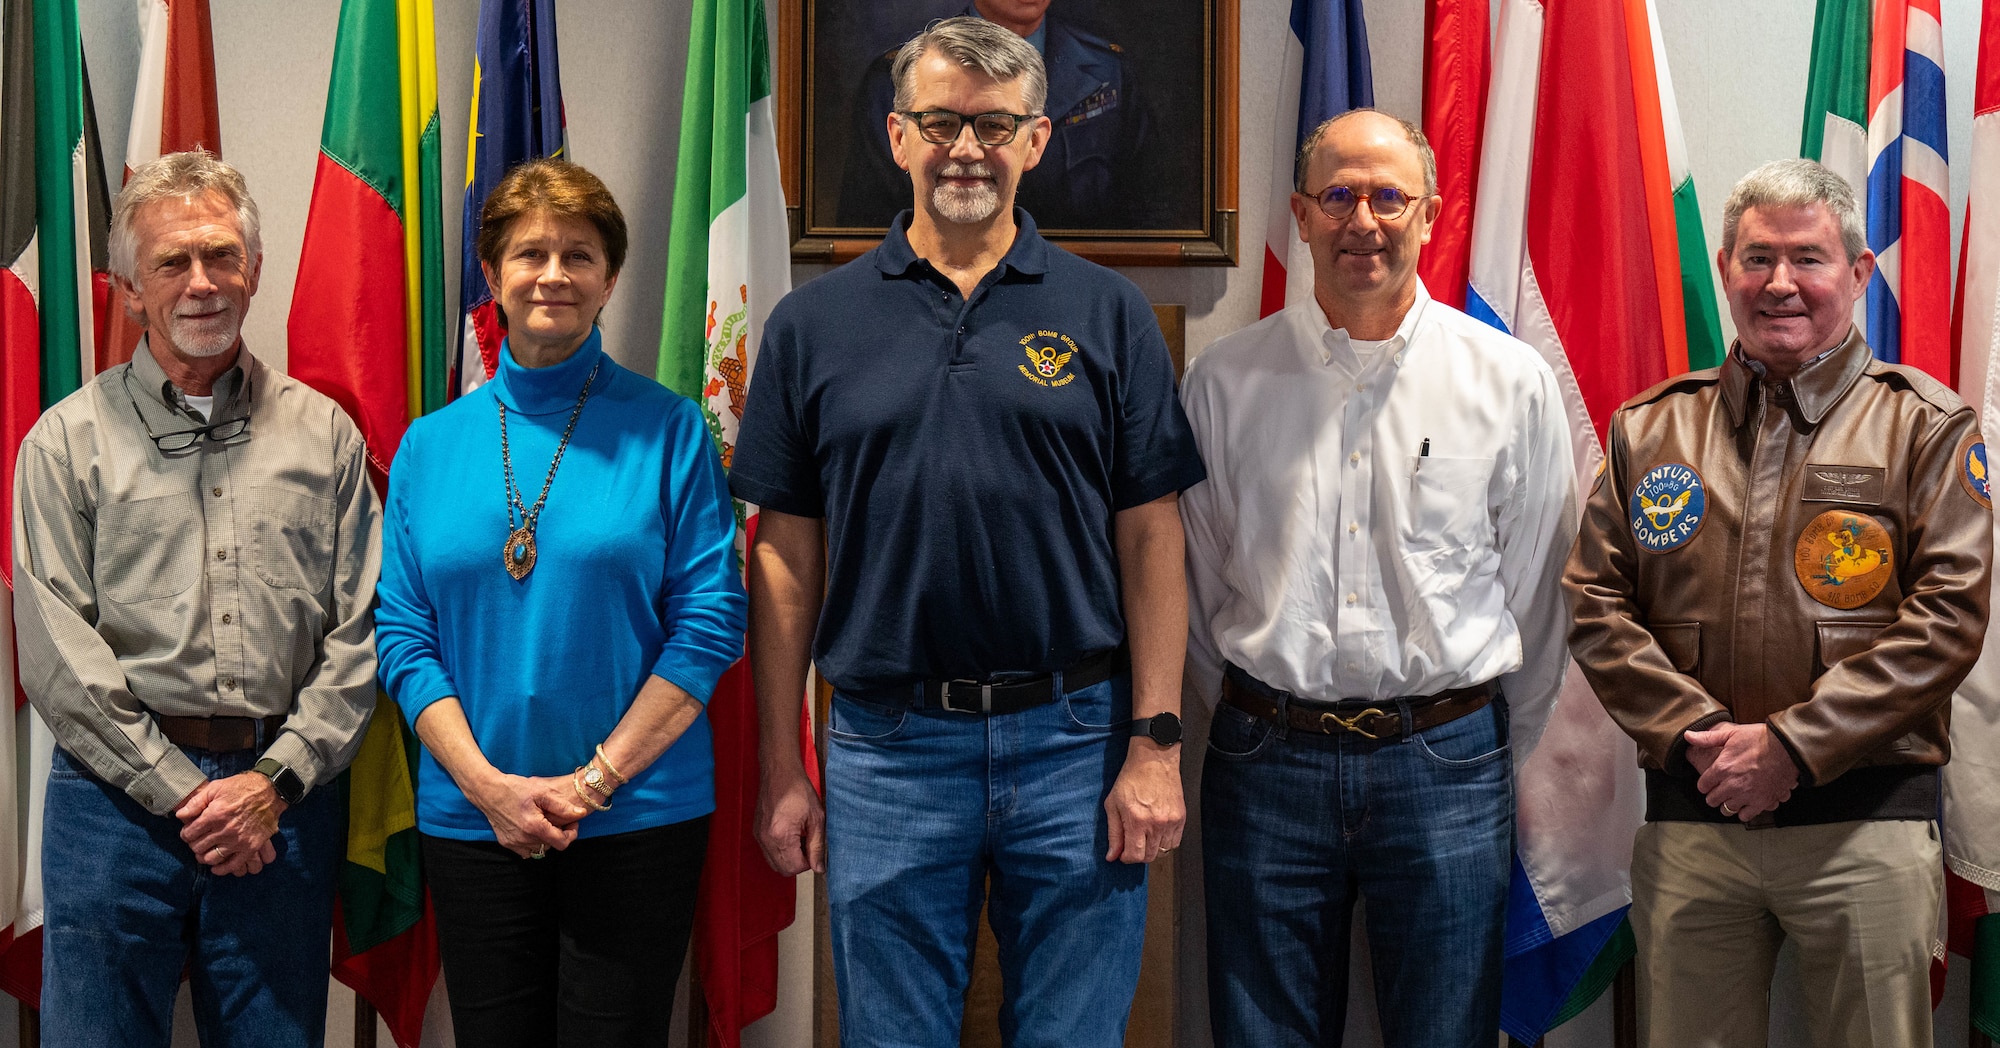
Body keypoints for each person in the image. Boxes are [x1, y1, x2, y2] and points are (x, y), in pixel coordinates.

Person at [735, 16, 1204, 1046]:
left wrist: (1155, 742)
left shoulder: (1109, 311)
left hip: (1075, 741)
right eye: (940, 122)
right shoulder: (809, 326)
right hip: (884, 746)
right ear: (897, 134)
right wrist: (782, 763)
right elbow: (783, 557)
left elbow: (1152, 540)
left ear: (1036, 141)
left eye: (994, 128)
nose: (964, 150)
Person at [1565, 158, 1992, 1046]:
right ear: (1724, 269)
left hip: (1863, 831)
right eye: (1758, 259)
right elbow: (1597, 603)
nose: (1782, 284)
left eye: (1809, 258)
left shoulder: (1925, 425)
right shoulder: (1651, 428)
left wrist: (1793, 747)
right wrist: (1699, 740)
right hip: (1695, 821)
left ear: (1860, 272)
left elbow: (1947, 619)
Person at [1179, 109, 1576, 1047]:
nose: (1365, 218)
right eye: (1340, 194)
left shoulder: (1507, 382)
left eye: (1390, 195)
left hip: (1444, 760)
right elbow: (1196, 592)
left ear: (1430, 215)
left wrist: (1465, 730)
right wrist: (1265, 709)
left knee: (1445, 1031)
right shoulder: (1221, 384)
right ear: (1302, 214)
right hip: (1264, 759)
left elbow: (1537, 588)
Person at [374, 158, 747, 1047]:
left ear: (610, 278)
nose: (553, 274)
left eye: (579, 255)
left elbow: (708, 625)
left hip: (638, 818)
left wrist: (593, 784)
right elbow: (402, 633)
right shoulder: (429, 446)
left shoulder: (671, 432)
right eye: (530, 252)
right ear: (495, 276)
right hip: (475, 820)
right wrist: (486, 787)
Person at [11, 150, 380, 1047]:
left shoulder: (325, 436)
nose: (202, 282)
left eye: (222, 255)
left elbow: (362, 631)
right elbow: (60, 656)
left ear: (255, 270)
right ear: (130, 288)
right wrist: (189, 795)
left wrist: (271, 783)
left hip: (282, 803)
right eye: (173, 262)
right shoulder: (65, 443)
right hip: (111, 810)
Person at [835, 0, 1160, 230]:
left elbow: (1148, 213)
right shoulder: (895, 79)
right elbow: (864, 228)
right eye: (941, 124)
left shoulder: (1108, 71)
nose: (966, 148)